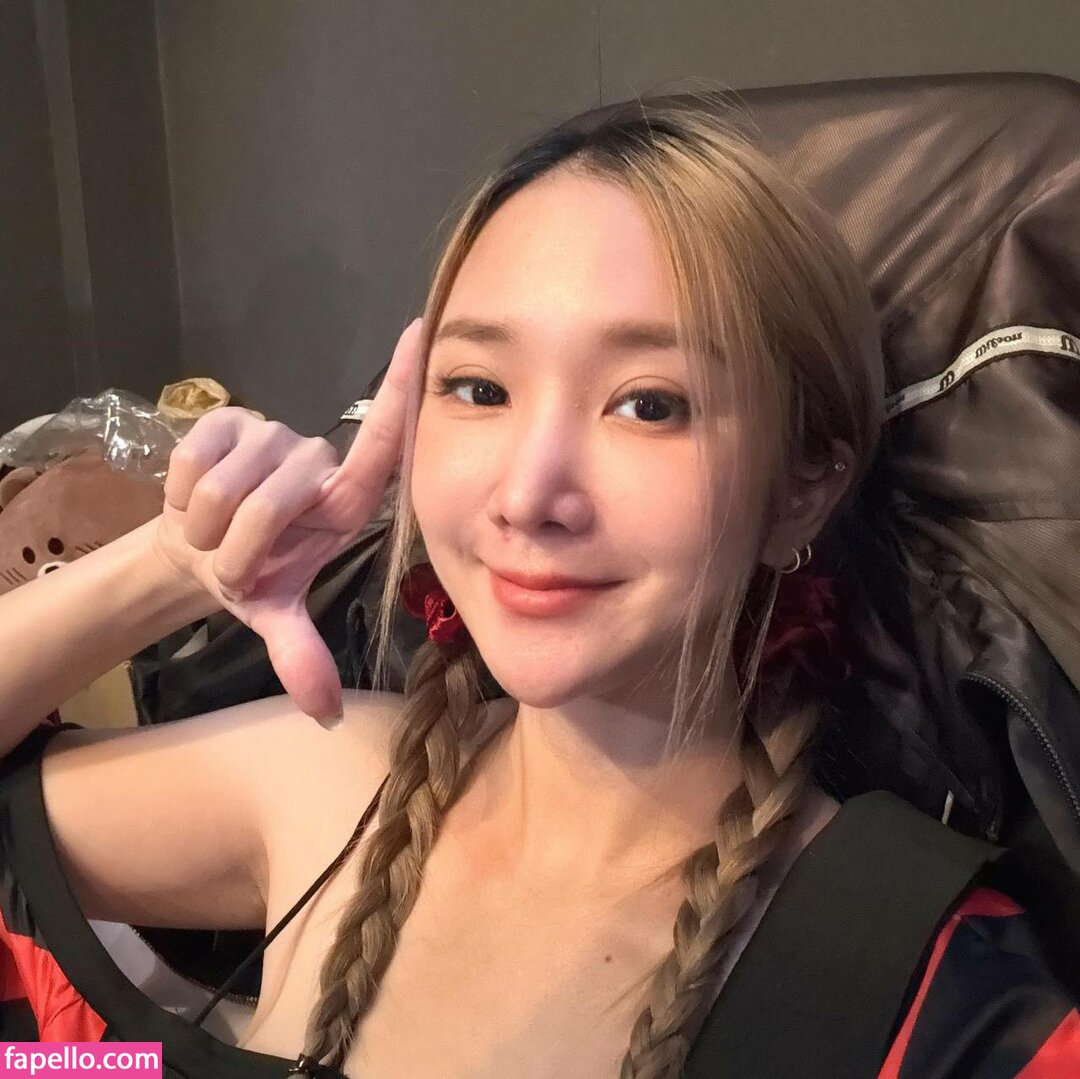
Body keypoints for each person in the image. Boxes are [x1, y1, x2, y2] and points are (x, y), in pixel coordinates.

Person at [0, 94, 1076, 1078]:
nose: (527, 493)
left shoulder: (926, 982)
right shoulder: (329, 781)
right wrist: (173, 568)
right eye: (479, 387)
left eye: (649, 403)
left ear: (802, 490)